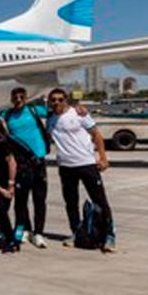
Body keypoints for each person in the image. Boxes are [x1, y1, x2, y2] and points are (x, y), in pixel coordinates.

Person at [47, 88, 115, 252]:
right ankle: (77, 233)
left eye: (60, 99)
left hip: (86, 164)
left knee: (100, 201)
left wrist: (103, 158)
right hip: (66, 167)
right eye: (53, 100)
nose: (57, 102)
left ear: (66, 100)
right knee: (71, 203)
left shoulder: (79, 114)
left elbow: (96, 135)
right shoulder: (50, 118)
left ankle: (109, 235)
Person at [2, 87, 51, 248]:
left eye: (21, 97)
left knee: (39, 199)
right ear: (11, 99)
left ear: (26, 98)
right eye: (15, 97)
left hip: (38, 161)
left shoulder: (34, 110)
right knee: (21, 200)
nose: (18, 99)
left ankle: (39, 233)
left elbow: (57, 111)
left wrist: (78, 110)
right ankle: (25, 229)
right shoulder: (7, 114)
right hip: (21, 163)